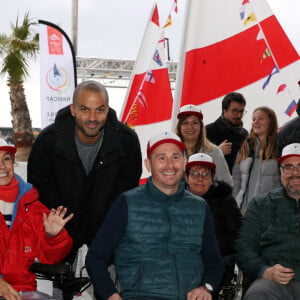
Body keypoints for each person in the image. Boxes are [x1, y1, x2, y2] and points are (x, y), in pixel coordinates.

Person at [86, 131, 224, 300]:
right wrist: (112, 295)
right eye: (161, 158)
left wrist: (206, 287)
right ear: (148, 165)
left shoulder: (200, 207)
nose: (169, 165)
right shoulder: (127, 203)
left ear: (184, 162)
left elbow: (214, 262)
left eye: (175, 157)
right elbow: (95, 258)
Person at [27, 80, 142, 262]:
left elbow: (127, 193)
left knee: (108, 288)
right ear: (73, 110)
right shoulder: (48, 141)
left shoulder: (127, 142)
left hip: (108, 234)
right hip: (61, 231)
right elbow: (39, 191)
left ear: (108, 109)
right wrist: (61, 228)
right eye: (85, 109)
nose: (92, 118)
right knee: (61, 287)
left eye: (100, 109)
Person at [0, 138, 73, 300]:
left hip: (23, 292)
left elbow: (53, 258)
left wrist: (53, 237)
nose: (2, 166)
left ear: (13, 163)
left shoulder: (32, 205)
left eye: (6, 158)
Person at [236, 142, 300, 300]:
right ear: (280, 171)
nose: (295, 172)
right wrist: (264, 271)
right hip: (273, 284)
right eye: (288, 167)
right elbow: (244, 248)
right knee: (258, 294)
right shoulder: (261, 204)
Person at [185, 153, 242, 299]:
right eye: (195, 173)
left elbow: (237, 238)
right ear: (186, 177)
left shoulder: (226, 202)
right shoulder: (175, 201)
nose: (200, 179)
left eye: (206, 174)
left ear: (212, 178)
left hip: (216, 263)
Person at [232, 106, 280, 214]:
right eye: (254, 119)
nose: (256, 122)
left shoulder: (279, 146)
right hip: (244, 211)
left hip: (269, 212)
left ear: (271, 121)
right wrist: (235, 202)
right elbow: (236, 178)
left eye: (261, 118)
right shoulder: (246, 146)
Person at [175, 104, 233, 187]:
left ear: (201, 126)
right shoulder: (170, 152)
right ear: (179, 127)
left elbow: (227, 184)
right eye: (185, 123)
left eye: (195, 122)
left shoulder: (214, 152)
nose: (190, 127)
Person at [205, 92, 248, 174]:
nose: (239, 115)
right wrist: (218, 152)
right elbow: (197, 161)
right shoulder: (207, 132)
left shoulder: (244, 135)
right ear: (224, 110)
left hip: (237, 185)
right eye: (235, 111)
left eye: (241, 111)